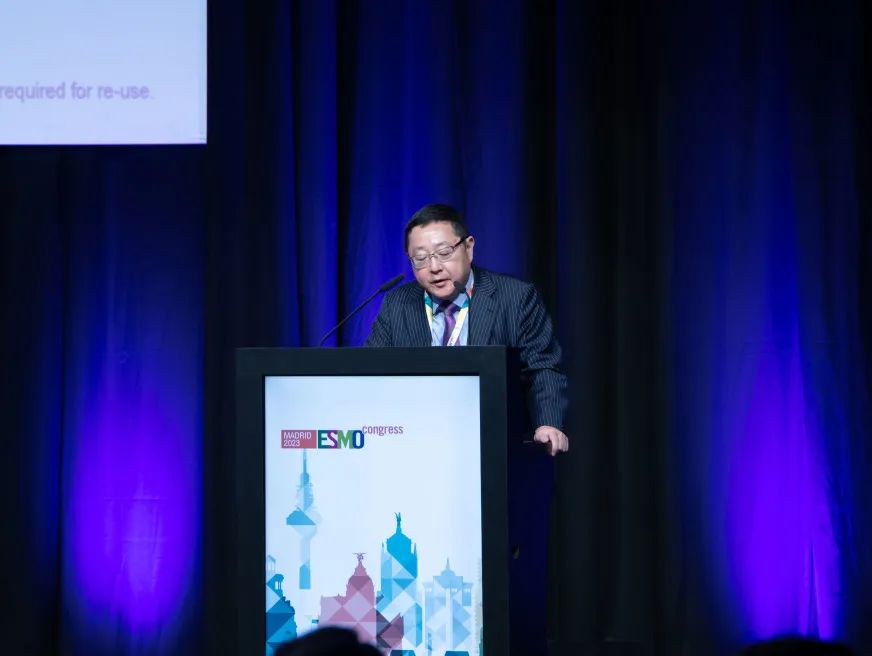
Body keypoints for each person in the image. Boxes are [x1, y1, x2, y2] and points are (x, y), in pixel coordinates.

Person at [366, 203, 569, 456]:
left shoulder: (515, 298)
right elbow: (372, 372)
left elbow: (542, 366)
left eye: (444, 253)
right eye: (420, 258)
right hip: (416, 443)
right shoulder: (397, 303)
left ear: (469, 247)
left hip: (491, 442)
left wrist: (547, 423)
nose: (434, 267)